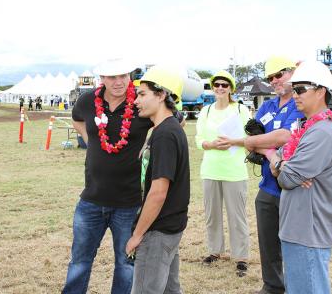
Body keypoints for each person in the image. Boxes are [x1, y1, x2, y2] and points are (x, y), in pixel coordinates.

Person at [62, 58, 154, 294]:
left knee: (126, 264)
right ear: (101, 78)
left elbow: (172, 121)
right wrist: (91, 139)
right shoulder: (86, 101)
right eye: (112, 77)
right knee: (79, 261)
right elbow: (76, 118)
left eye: (123, 75)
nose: (119, 82)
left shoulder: (142, 101)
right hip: (91, 200)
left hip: (129, 202)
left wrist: (148, 145)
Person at [269, 61, 332, 294]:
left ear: (321, 91)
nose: (295, 95)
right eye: (295, 89)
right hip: (298, 228)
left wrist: (282, 166)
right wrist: (283, 165)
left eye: (301, 89)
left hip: (307, 232)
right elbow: (280, 164)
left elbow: (286, 178)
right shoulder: (307, 128)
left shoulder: (322, 131)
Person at [126, 65, 190, 294]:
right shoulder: (165, 129)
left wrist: (137, 235)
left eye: (142, 94)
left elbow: (159, 192)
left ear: (162, 95)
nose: (136, 100)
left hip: (159, 230)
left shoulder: (165, 134)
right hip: (169, 226)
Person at [245, 56, 304, 294]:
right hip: (268, 187)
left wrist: (259, 142)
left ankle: (297, 288)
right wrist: (270, 154)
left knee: (294, 246)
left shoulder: (300, 104)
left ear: (292, 72)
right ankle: (272, 287)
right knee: (268, 246)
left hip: (294, 188)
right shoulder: (267, 106)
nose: (274, 81)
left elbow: (285, 136)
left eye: (279, 74)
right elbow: (252, 139)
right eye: (270, 77)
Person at [195, 70, 250, 275]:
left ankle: (241, 256)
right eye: (216, 84)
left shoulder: (241, 110)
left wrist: (232, 142)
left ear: (231, 89)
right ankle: (214, 250)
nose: (219, 88)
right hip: (210, 170)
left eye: (224, 85)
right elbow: (198, 139)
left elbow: (249, 137)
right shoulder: (205, 111)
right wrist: (208, 144)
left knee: (237, 216)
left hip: (234, 171)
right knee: (212, 215)